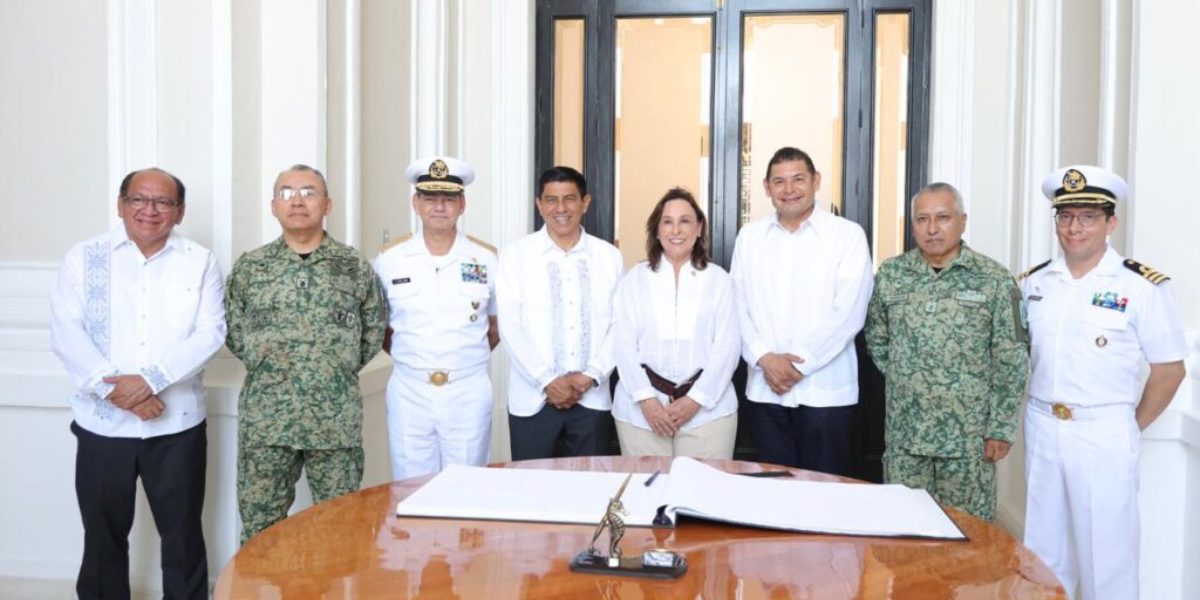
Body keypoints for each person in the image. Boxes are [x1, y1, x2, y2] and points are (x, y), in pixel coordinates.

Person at [50, 168, 226, 600]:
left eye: (164, 202)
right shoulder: (83, 257)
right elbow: (66, 331)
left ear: (179, 211)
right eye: (139, 200)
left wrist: (148, 382)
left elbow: (210, 332)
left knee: (183, 535)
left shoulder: (200, 261)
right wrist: (118, 393)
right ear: (121, 204)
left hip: (177, 427)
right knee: (102, 536)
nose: (150, 211)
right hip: (103, 425)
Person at [1019, 165, 1186, 600]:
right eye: (1065, 216)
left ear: (1110, 223)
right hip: (1041, 426)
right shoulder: (1034, 283)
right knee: (1042, 554)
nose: (1074, 228)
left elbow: (1170, 370)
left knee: (1106, 560)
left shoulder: (1142, 287)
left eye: (1088, 217)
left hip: (1103, 431)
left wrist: (1128, 426)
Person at [225, 164, 387, 544]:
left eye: (309, 192)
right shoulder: (251, 268)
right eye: (286, 192)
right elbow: (234, 331)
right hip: (267, 422)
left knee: (340, 529)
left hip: (334, 421)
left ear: (327, 204)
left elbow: (372, 332)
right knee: (260, 531)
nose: (297, 200)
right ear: (273, 206)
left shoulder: (353, 267)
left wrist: (331, 370)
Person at [864, 182, 1029, 521]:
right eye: (922, 219)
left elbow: (1011, 357)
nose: (932, 228)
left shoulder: (993, 279)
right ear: (913, 225)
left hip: (968, 441)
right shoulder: (892, 274)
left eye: (943, 217)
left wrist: (1000, 427)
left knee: (968, 533)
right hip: (906, 435)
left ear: (962, 221)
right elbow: (877, 339)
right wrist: (910, 377)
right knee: (904, 530)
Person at [730, 146, 873, 476]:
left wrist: (797, 366)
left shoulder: (847, 235)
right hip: (765, 390)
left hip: (826, 393)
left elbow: (849, 313)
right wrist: (765, 358)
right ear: (767, 188)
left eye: (798, 179)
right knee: (773, 493)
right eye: (779, 181)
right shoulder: (749, 238)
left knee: (825, 494)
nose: (788, 189)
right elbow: (736, 307)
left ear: (816, 181)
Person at [372, 156, 499, 481]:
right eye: (430, 198)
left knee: (468, 486)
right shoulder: (390, 259)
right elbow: (381, 326)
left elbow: (496, 325)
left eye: (448, 199)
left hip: (467, 389)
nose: (439, 207)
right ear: (417, 203)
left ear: (462, 205)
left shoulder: (486, 259)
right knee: (410, 487)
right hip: (410, 389)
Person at [497, 166, 623, 460]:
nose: (561, 208)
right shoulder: (516, 255)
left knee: (590, 494)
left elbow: (620, 326)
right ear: (539, 204)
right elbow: (510, 327)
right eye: (551, 200)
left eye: (569, 199)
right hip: (533, 401)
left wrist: (591, 377)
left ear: (585, 202)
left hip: (592, 400)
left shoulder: (609, 257)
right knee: (533, 494)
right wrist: (547, 381)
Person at [612, 187, 740, 458]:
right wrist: (647, 401)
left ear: (699, 227)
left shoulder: (720, 280)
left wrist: (695, 401)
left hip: (709, 414)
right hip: (641, 414)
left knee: (703, 496)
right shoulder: (635, 279)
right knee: (646, 494)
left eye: (685, 221)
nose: (676, 230)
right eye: (667, 222)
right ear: (656, 230)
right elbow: (622, 345)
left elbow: (727, 347)